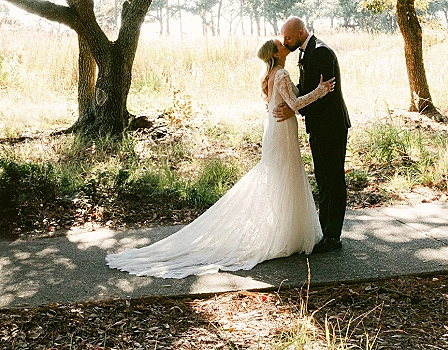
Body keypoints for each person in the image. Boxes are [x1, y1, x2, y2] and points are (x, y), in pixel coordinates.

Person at [106, 38, 334, 277]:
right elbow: (296, 103)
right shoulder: (282, 74)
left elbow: (279, 104)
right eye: (281, 43)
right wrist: (320, 91)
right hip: (282, 132)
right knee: (285, 179)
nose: (285, 44)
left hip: (276, 130)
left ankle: (286, 233)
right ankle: (285, 235)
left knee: (282, 181)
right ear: (277, 53)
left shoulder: (270, 75)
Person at [275, 17, 350, 253]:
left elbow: (326, 93)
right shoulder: (305, 52)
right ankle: (324, 229)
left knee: (333, 179)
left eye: (287, 37)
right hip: (318, 126)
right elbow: (307, 87)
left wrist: (296, 108)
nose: (284, 42)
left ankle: (333, 236)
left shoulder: (321, 52)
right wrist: (292, 101)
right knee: (323, 179)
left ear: (300, 33)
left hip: (331, 126)